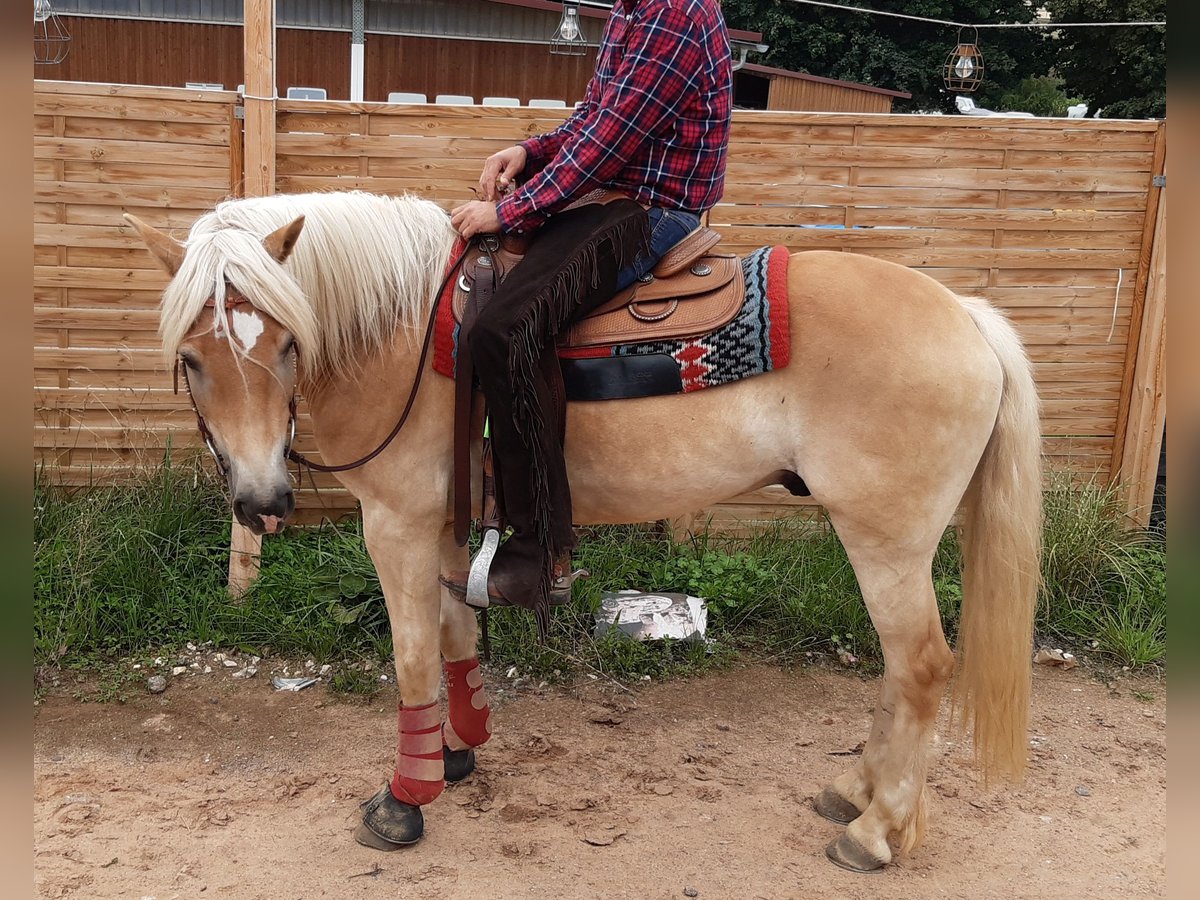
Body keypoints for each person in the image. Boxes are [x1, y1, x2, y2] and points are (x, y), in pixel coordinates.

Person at [443, 0, 733, 610]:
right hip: (609, 200)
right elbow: (594, 117)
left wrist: (508, 210)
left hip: (647, 212)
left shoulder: (674, 9)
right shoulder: (631, 10)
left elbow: (613, 136)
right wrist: (531, 150)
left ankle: (538, 552)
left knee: (501, 330)